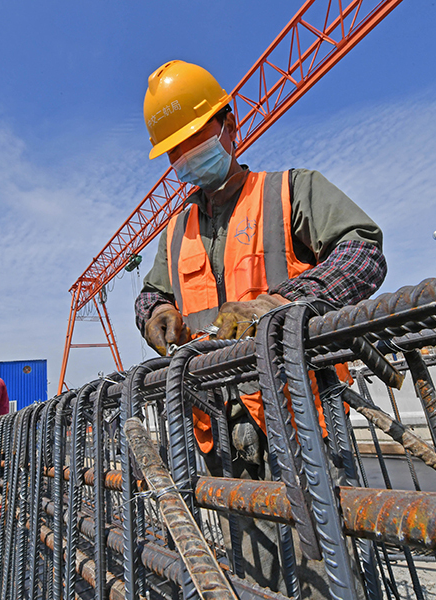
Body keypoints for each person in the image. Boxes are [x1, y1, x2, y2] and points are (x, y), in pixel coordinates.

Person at [135, 60, 387, 467]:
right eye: (175, 152)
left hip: (300, 417)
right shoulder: (176, 231)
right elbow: (151, 293)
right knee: (245, 531)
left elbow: (363, 252)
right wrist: (156, 310)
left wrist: (275, 304)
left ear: (229, 128)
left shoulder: (289, 191)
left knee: (327, 528)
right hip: (216, 423)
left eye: (195, 141)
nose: (186, 158)